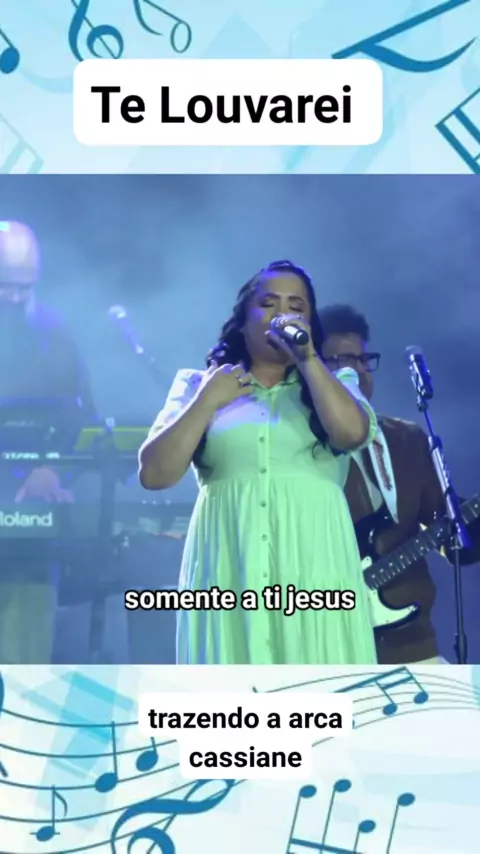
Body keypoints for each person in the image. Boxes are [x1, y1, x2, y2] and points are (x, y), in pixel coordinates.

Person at [139, 260, 379, 665]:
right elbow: (154, 474)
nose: (282, 314)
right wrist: (207, 401)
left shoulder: (336, 383)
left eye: (296, 307)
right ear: (243, 320)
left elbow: (353, 434)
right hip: (228, 571)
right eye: (269, 303)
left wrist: (308, 359)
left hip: (316, 572)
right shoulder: (198, 385)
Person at [318, 303, 480, 665]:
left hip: (411, 643)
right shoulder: (298, 445)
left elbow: (446, 530)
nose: (359, 371)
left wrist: (469, 529)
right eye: (343, 361)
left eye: (364, 359)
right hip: (325, 648)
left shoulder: (406, 438)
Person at [0, 220, 96, 663]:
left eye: (25, 287)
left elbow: (83, 420)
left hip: (34, 531)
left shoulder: (56, 335)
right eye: (5, 286)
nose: (15, 297)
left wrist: (54, 471)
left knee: (25, 658)